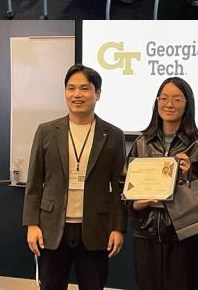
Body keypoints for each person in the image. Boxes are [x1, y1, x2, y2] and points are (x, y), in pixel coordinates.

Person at [23, 65, 126, 290]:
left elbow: (120, 188)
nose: (77, 95)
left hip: (95, 229)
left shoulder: (113, 135)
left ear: (97, 93)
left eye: (84, 89)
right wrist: (31, 224)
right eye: (71, 88)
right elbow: (34, 183)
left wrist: (118, 228)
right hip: (51, 229)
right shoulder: (46, 131)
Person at [127, 77, 198, 290]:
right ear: (157, 102)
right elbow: (123, 187)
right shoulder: (141, 142)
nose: (169, 104)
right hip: (146, 235)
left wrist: (190, 176)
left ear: (187, 104)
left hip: (184, 236)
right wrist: (134, 204)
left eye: (177, 99)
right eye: (163, 98)